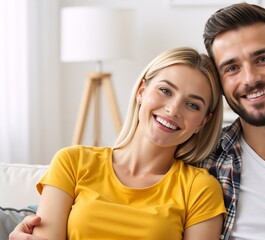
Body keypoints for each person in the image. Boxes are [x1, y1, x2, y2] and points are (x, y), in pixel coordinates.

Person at [11, 3, 265, 240]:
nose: (251, 78)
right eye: (232, 68)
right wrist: (25, 225)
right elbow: (116, 193)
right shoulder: (201, 161)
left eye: (262, 59)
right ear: (222, 84)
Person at [11, 47, 226, 240]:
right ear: (142, 91)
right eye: (165, 91)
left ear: (203, 122)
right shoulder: (72, 162)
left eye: (192, 105)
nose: (173, 110)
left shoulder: (200, 189)